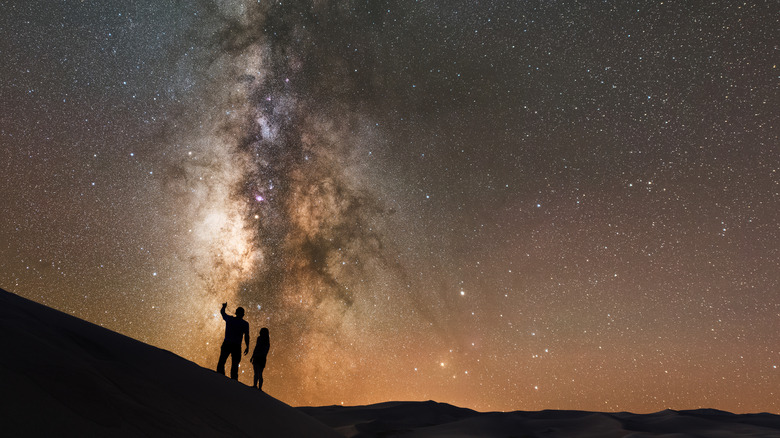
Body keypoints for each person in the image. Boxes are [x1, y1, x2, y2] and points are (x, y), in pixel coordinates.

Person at [216, 302, 250, 380]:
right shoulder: (244, 324)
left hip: (228, 343)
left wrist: (224, 307)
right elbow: (247, 336)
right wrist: (247, 346)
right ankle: (232, 381)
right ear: (243, 315)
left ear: (236, 313)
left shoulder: (230, 319)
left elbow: (222, 313)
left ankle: (220, 378)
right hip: (236, 346)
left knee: (222, 361)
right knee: (234, 365)